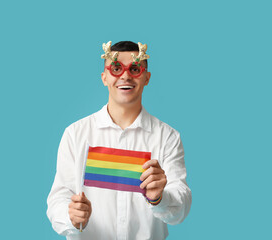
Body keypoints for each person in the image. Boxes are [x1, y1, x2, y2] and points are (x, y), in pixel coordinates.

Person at [46, 41, 192, 240]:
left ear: (147, 77)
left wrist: (159, 198)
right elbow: (58, 198)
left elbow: (179, 210)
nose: (125, 75)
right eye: (116, 68)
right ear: (104, 77)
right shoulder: (75, 134)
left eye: (135, 68)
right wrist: (71, 216)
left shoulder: (167, 137)